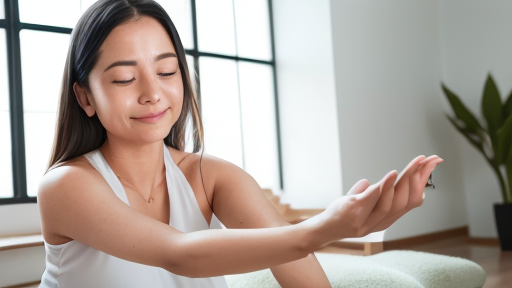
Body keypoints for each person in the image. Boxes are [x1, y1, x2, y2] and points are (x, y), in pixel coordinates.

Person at [36, 0, 443, 287]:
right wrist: (324, 227)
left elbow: (307, 282)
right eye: (125, 78)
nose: (152, 93)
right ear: (85, 97)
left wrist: (335, 226)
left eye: (166, 70)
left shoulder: (211, 176)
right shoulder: (66, 186)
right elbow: (181, 254)